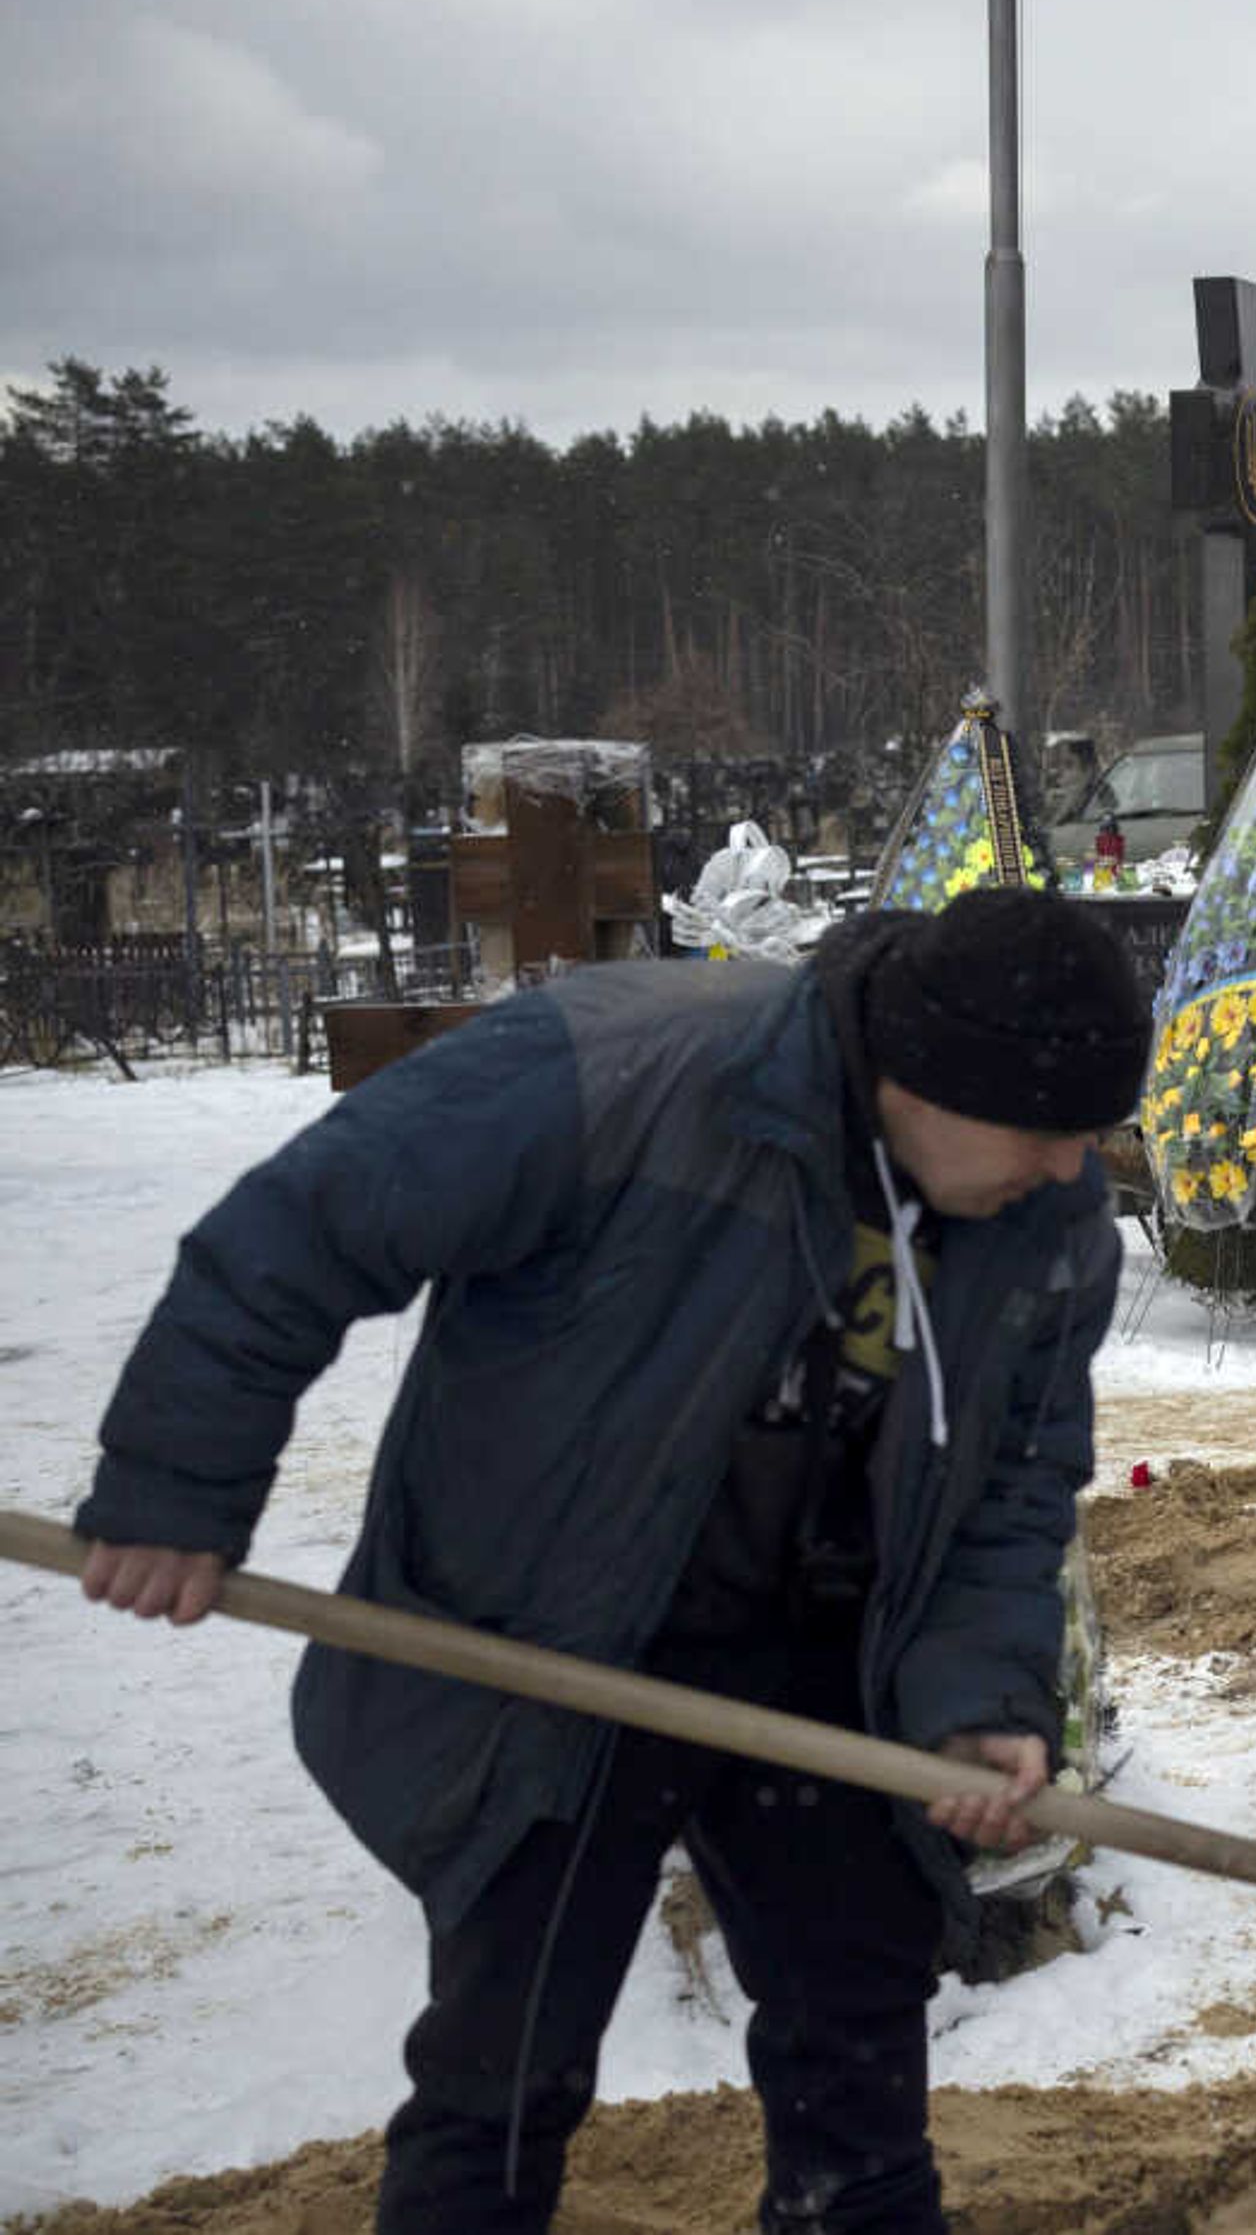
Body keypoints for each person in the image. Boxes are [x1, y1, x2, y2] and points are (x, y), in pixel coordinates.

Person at [72, 887, 1145, 2234]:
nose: (1070, 1170)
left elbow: (1009, 1490)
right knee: (508, 2066)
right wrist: (178, 1483)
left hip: (821, 1649)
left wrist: (983, 1698)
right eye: (1049, 1131)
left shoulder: (1049, 1234)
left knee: (859, 2046)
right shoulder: (628, 1071)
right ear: (928, 1075)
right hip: (557, 1641)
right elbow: (306, 1222)